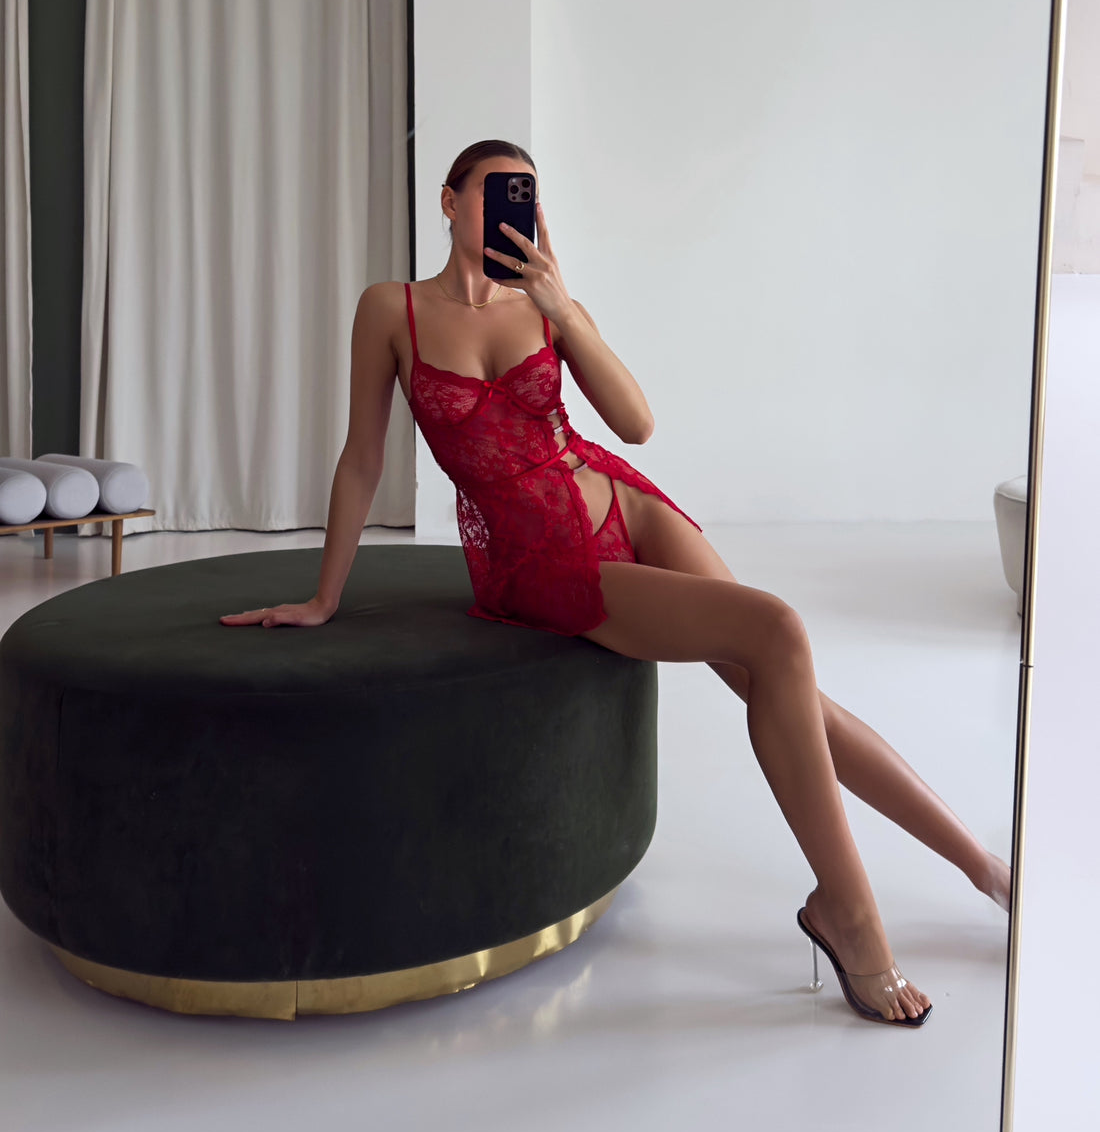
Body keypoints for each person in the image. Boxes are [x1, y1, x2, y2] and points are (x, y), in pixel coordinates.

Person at [222, 137, 1012, 1026]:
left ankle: (984, 869)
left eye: (527, 195)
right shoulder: (390, 309)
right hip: (538, 560)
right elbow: (363, 458)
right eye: (495, 192)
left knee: (785, 678)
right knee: (778, 631)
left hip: (623, 501)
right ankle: (852, 919)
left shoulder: (547, 304)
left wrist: (563, 309)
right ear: (449, 201)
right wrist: (326, 596)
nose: (513, 210)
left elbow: (635, 425)